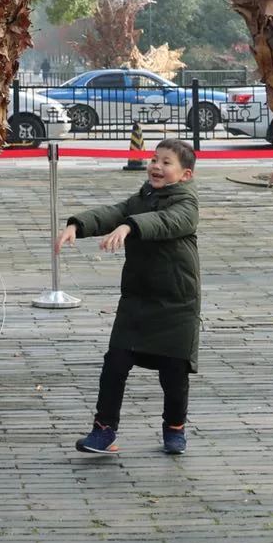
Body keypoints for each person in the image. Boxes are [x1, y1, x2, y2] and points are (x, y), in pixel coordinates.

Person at [56, 138, 200, 457]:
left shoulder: (187, 202)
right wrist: (77, 226)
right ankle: (104, 430)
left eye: (166, 162)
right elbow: (115, 212)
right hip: (137, 300)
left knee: (174, 372)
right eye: (153, 159)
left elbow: (168, 222)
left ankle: (174, 427)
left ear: (185, 175)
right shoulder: (142, 197)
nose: (156, 166)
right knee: (115, 364)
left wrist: (130, 227)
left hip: (177, 303)